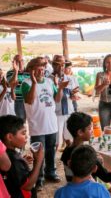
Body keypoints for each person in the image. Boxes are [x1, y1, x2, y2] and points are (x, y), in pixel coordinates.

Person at [21, 57, 68, 189]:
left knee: (51, 151)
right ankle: (39, 177)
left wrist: (59, 89)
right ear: (31, 69)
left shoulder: (49, 81)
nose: (42, 69)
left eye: (43, 67)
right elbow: (29, 100)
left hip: (51, 124)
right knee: (39, 153)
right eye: (38, 66)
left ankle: (50, 172)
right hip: (37, 126)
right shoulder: (26, 83)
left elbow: (57, 100)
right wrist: (35, 83)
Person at [61, 112, 111, 191]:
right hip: (87, 190)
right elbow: (107, 177)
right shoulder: (87, 154)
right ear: (80, 132)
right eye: (89, 128)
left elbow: (70, 175)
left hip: (72, 188)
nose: (92, 130)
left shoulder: (66, 151)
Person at [0, 115, 44, 198]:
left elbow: (11, 173)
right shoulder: (14, 160)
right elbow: (27, 186)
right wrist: (38, 161)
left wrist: (22, 162)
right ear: (9, 137)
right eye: (23, 133)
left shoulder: (4, 155)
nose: (27, 136)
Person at [51, 56, 79, 149]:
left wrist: (73, 95)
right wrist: (58, 87)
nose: (61, 67)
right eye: (58, 64)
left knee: (69, 139)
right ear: (53, 65)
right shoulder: (49, 79)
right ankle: (52, 162)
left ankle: (69, 161)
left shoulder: (70, 79)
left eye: (63, 64)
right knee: (56, 142)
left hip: (69, 112)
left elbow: (73, 93)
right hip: (56, 113)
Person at [94, 54, 111, 130]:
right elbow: (97, 91)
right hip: (104, 105)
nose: (110, 64)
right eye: (108, 62)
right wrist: (104, 84)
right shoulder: (100, 75)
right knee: (105, 130)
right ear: (104, 64)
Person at [6, 54, 30, 120]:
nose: (19, 63)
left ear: (23, 62)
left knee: (33, 121)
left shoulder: (28, 72)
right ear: (13, 63)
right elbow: (11, 84)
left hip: (29, 100)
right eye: (17, 61)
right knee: (21, 121)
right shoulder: (10, 73)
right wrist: (16, 71)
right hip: (18, 100)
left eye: (21, 61)